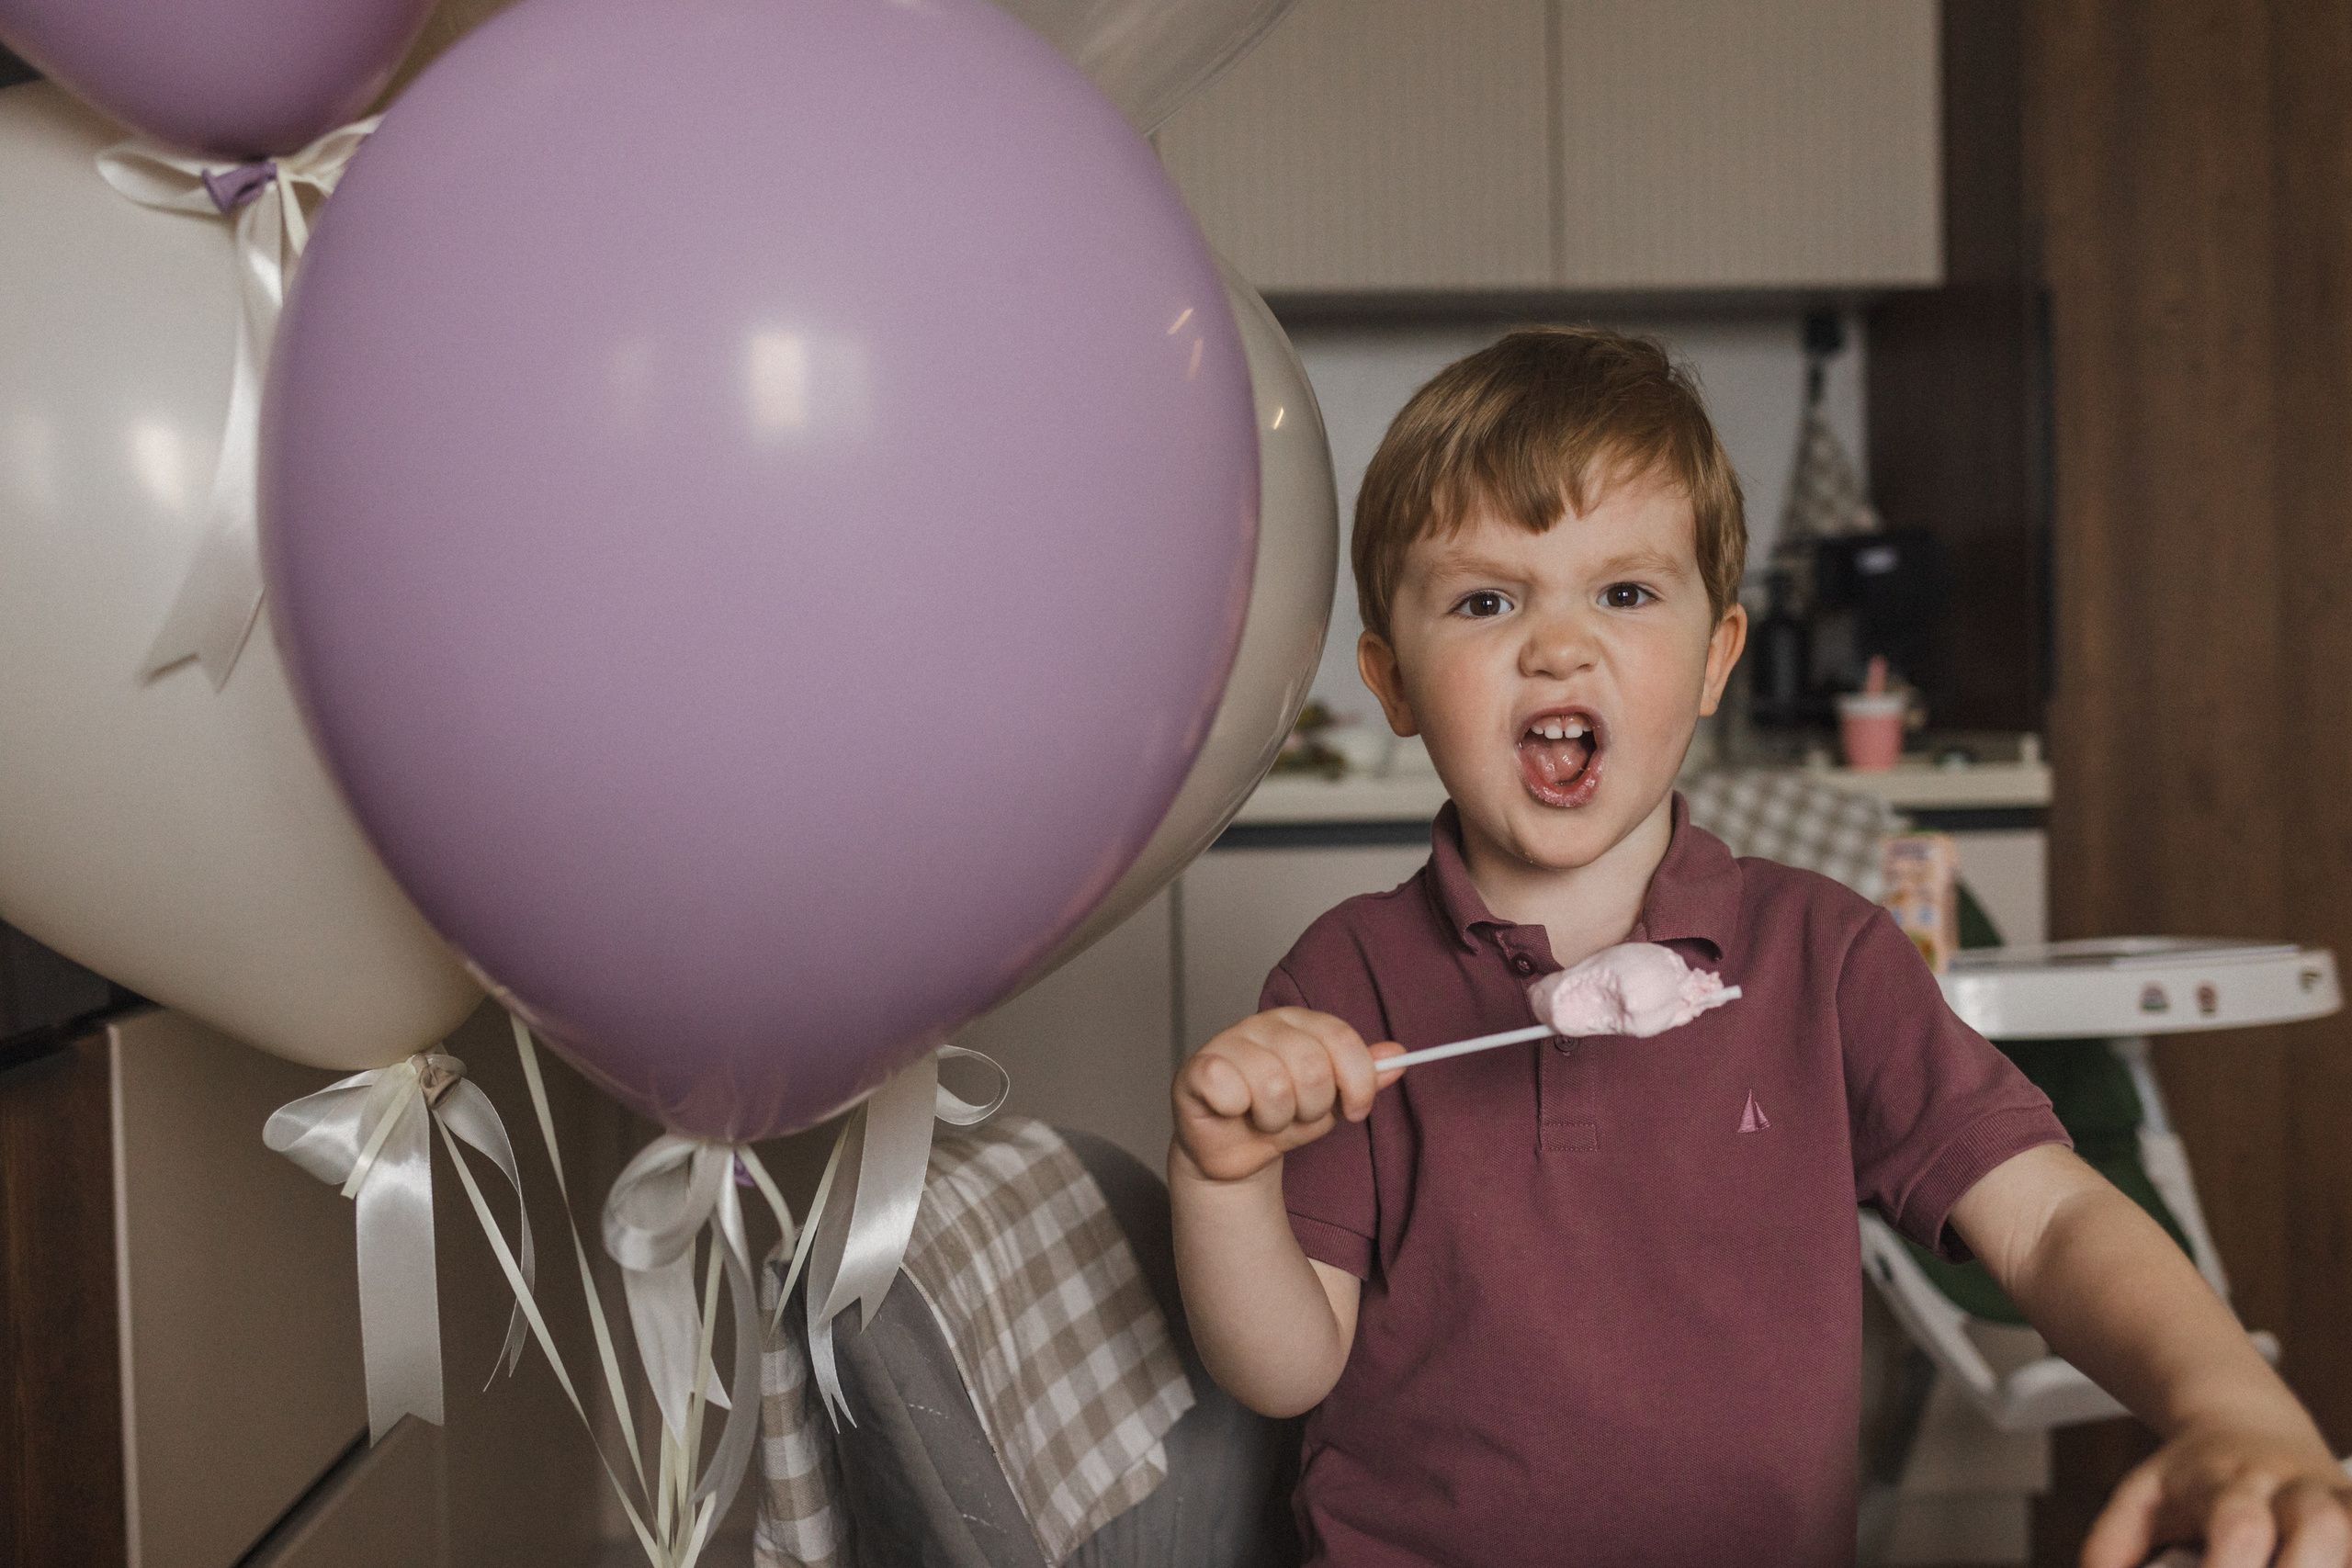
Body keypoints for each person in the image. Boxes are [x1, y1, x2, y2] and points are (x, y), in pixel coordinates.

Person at [1168, 327, 2351, 1568]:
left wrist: (2231, 1405)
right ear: (1392, 683)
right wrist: (1227, 1181)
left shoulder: (1825, 960)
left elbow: (2051, 1227)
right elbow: (1288, 1369)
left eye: (1624, 593)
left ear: (1717, 659)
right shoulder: (1344, 982)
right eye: (1484, 599)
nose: (1557, 646)